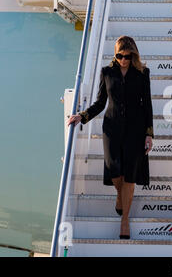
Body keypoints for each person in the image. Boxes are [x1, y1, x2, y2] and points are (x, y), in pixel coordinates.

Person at [67, 35, 153, 239]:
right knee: (115, 170)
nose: (124, 59)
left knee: (130, 175)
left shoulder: (142, 72)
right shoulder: (107, 72)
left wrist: (149, 134)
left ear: (134, 54)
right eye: (120, 55)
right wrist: (82, 116)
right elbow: (100, 102)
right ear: (115, 54)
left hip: (135, 130)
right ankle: (119, 195)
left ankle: (125, 221)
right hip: (112, 129)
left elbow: (147, 104)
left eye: (127, 56)